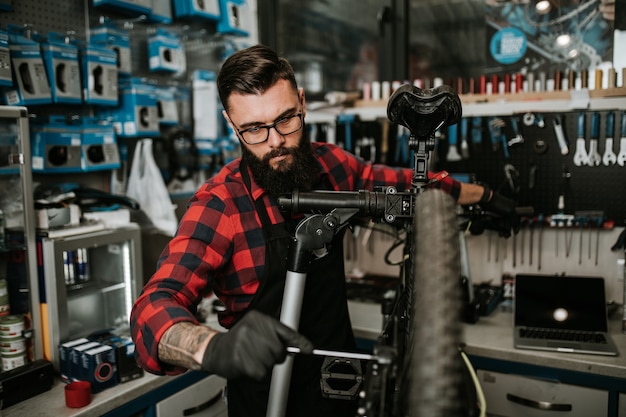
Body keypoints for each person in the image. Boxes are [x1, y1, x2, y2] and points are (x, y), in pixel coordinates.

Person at [130, 44, 517, 417]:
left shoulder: (333, 166)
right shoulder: (220, 204)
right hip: (267, 399)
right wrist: (211, 347)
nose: (276, 141)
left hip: (341, 383)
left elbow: (407, 187)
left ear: (301, 101)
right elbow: (152, 310)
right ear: (231, 123)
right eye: (254, 129)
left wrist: (482, 195)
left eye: (285, 118)